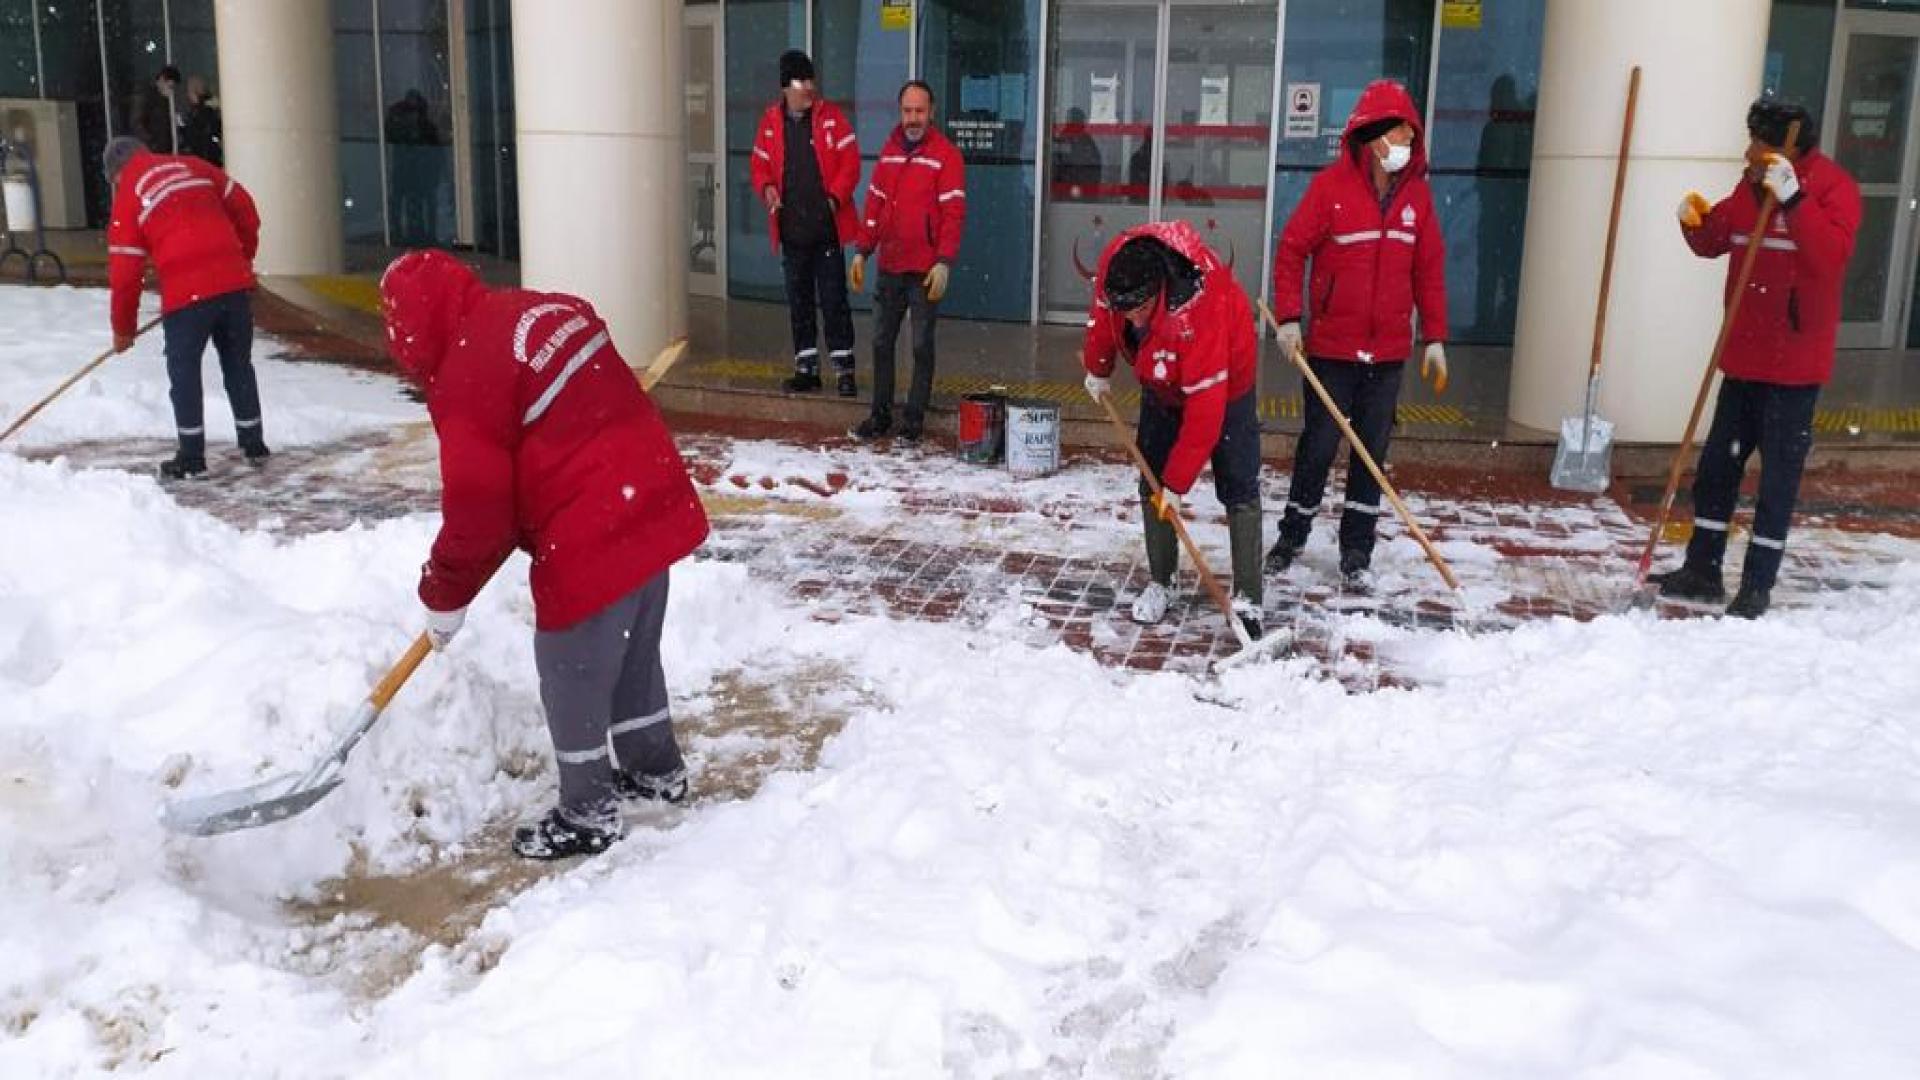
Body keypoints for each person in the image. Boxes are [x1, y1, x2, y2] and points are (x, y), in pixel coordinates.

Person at [379, 250, 711, 860]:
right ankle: (655, 771)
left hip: (594, 524)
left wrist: (444, 594)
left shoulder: (465, 376)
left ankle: (588, 813)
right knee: (634, 658)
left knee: (571, 669)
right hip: (652, 493)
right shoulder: (542, 307)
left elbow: (477, 512)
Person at [1653, 95, 1860, 618]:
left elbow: (1829, 259)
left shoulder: (1833, 190)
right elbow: (1719, 239)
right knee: (1718, 472)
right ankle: (1703, 568)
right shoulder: (1750, 187)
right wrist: (1695, 222)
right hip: (1743, 358)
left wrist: (1794, 201)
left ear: (1786, 145)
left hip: (1794, 368)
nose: (1749, 152)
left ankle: (1757, 583)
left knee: (1776, 482)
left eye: (1758, 142)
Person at [1267, 79, 1448, 586]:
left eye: (1410, 136)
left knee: (1370, 453)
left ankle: (1356, 553)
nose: (1405, 146)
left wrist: (1434, 337)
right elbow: (1291, 250)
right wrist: (1288, 318)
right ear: (1372, 140)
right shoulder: (1330, 189)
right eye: (1398, 136)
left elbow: (1428, 270)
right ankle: (1292, 535)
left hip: (1388, 354)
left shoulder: (1419, 199)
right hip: (1331, 350)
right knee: (1319, 447)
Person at [1081, 221, 1264, 639]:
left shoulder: (1202, 309)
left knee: (1238, 486)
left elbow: (1205, 413)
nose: (1132, 319)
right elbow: (1103, 317)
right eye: (1124, 310)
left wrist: (1179, 485)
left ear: (1160, 291)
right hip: (1161, 380)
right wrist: (1099, 367)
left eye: (1140, 311)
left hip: (1225, 383)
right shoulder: (1118, 267)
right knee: (1151, 481)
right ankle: (1163, 581)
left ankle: (1249, 596)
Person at [103, 135, 269, 478]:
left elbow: (125, 273)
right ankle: (253, 443)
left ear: (116, 174)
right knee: (238, 363)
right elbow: (245, 209)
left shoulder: (129, 195)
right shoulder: (192, 165)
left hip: (186, 293)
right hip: (233, 284)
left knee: (185, 372)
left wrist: (123, 330)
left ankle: (192, 457)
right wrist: (240, 259)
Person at [848, 80, 967, 444]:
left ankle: (913, 420)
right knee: (882, 343)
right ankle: (880, 415)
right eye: (907, 111)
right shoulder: (889, 152)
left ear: (931, 112)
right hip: (890, 265)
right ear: (900, 113)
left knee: (920, 346)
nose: (913, 118)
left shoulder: (946, 155)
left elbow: (953, 214)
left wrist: (944, 261)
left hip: (925, 271)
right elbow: (874, 205)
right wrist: (862, 251)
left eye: (919, 111)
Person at [749, 50, 861, 396]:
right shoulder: (771, 123)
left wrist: (833, 200)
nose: (808, 89)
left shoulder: (832, 118)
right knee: (799, 301)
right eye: (800, 82)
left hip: (827, 230)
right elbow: (759, 165)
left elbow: (851, 163)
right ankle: (807, 368)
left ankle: (844, 370)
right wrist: (767, 189)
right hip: (792, 232)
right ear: (785, 87)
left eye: (811, 81)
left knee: (833, 300)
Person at [132, 66, 181, 155]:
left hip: (164, 150)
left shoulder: (166, 101)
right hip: (152, 151)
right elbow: (137, 123)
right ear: (162, 80)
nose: (171, 91)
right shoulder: (146, 97)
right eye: (170, 86)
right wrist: (152, 144)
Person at [178, 75, 223, 166]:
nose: (188, 95)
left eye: (189, 90)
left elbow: (200, 134)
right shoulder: (196, 109)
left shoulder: (206, 109)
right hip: (203, 155)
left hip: (207, 156)